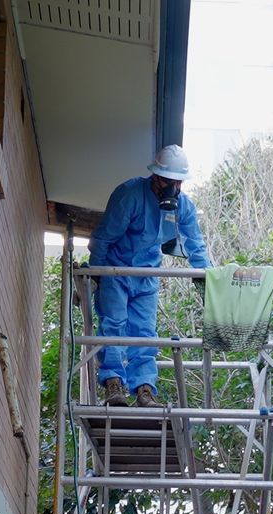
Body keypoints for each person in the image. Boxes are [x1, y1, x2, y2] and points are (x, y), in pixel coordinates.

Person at [88, 144, 210, 407]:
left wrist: (209, 280)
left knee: (145, 332)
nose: (172, 189)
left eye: (177, 183)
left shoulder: (182, 207)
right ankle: (113, 384)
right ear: (155, 177)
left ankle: (144, 388)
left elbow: (195, 244)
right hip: (115, 271)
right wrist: (95, 273)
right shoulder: (129, 195)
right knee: (114, 325)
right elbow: (103, 238)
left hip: (146, 276)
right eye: (167, 182)